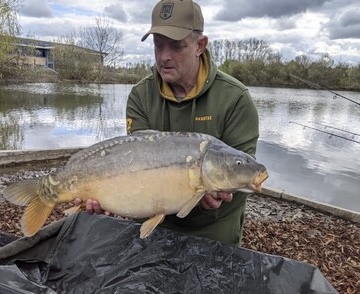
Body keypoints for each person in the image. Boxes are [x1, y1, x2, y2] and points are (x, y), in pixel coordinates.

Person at [76, 0, 259, 245]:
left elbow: (245, 177)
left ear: (200, 45)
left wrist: (211, 201)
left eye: (176, 47)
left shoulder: (235, 99)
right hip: (150, 227)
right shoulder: (141, 95)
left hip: (213, 233)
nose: (164, 57)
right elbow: (135, 166)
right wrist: (108, 198)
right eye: (158, 45)